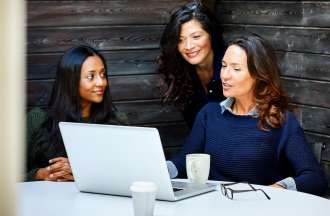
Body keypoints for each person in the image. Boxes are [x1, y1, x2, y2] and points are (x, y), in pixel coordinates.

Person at [168, 34, 328, 196]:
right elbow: (182, 163)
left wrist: (276, 190)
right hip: (214, 207)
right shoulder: (209, 114)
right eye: (224, 66)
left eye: (236, 69)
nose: (225, 75)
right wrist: (157, 170)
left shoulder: (282, 120)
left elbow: (315, 178)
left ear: (259, 75)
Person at [26, 45, 127, 181]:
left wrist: (83, 172)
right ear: (71, 81)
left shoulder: (118, 122)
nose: (101, 82)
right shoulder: (38, 118)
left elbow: (125, 173)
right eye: (91, 76)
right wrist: (42, 174)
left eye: (103, 74)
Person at [158, 1, 226, 128]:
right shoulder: (181, 73)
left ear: (211, 35)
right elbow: (195, 128)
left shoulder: (232, 66)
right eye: (180, 40)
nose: (188, 46)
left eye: (196, 37)